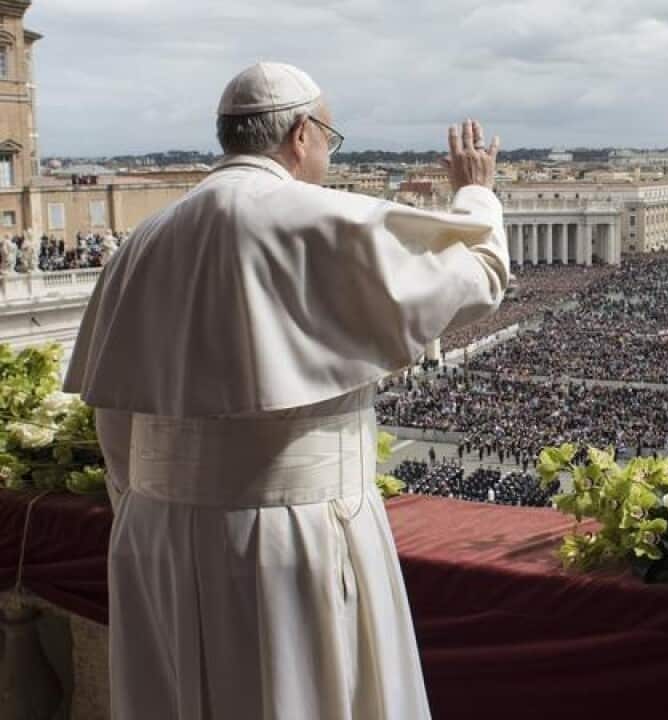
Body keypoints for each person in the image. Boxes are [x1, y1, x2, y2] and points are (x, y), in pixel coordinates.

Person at [63, 62, 506, 719]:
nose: (328, 153)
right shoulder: (322, 221)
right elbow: (478, 278)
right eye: (331, 137)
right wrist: (476, 195)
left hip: (154, 535)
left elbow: (115, 417)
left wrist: (156, 507)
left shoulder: (143, 240)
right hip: (289, 537)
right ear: (302, 133)